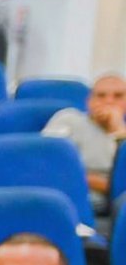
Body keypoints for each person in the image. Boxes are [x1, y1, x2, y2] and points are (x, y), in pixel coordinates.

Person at [42, 74, 126, 214]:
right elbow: (48, 162)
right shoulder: (68, 119)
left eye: (118, 96)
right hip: (72, 191)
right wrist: (108, 184)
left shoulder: (123, 132)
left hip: (116, 200)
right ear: (89, 101)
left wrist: (117, 130)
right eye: (101, 95)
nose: (109, 101)